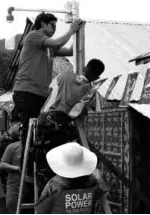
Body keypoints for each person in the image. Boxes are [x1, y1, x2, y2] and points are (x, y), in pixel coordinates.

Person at [13, 12, 83, 162]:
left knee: (40, 128)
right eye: (52, 25)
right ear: (43, 24)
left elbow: (70, 51)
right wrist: (71, 29)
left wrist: (79, 33)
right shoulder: (33, 35)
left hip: (40, 93)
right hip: (26, 90)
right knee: (29, 128)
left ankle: (36, 161)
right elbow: (58, 42)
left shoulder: (48, 48)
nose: (54, 28)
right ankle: (27, 163)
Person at [34, 59, 105, 192]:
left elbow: (49, 90)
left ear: (84, 67)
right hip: (59, 123)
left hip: (43, 119)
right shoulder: (89, 89)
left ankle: (42, 197)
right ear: (97, 77)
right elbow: (76, 112)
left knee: (42, 159)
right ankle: (58, 194)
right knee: (65, 158)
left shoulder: (64, 74)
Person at [35, 142, 112, 214]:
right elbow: (104, 188)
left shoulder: (54, 184)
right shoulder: (92, 183)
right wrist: (98, 178)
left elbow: (40, 209)